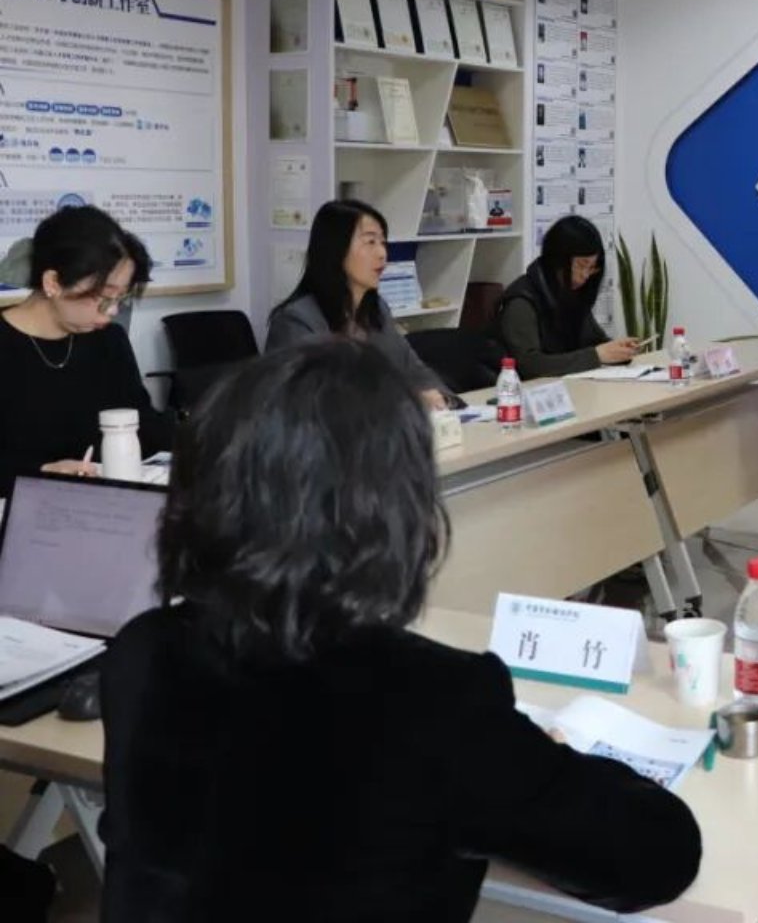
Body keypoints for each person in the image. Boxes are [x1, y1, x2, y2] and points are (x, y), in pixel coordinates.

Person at [99, 340, 702, 921]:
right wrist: (534, 759)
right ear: (392, 512)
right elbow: (657, 856)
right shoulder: (434, 699)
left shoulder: (144, 651)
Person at [0, 205, 171, 496]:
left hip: (101, 505)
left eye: (121, 299)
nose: (112, 312)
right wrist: (40, 473)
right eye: (103, 299)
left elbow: (143, 427)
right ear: (53, 283)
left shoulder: (109, 341)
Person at [265, 200, 452, 409]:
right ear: (336, 249)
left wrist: (439, 398)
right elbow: (310, 403)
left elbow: (414, 370)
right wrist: (403, 402)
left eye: (383, 242)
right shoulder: (297, 320)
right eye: (370, 242)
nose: (382, 253)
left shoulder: (377, 310)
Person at [493, 215, 636, 379]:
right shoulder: (521, 301)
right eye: (581, 265)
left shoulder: (571, 295)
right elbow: (529, 365)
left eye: (591, 268)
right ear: (558, 261)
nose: (586, 275)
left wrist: (617, 350)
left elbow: (594, 341)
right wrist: (597, 355)